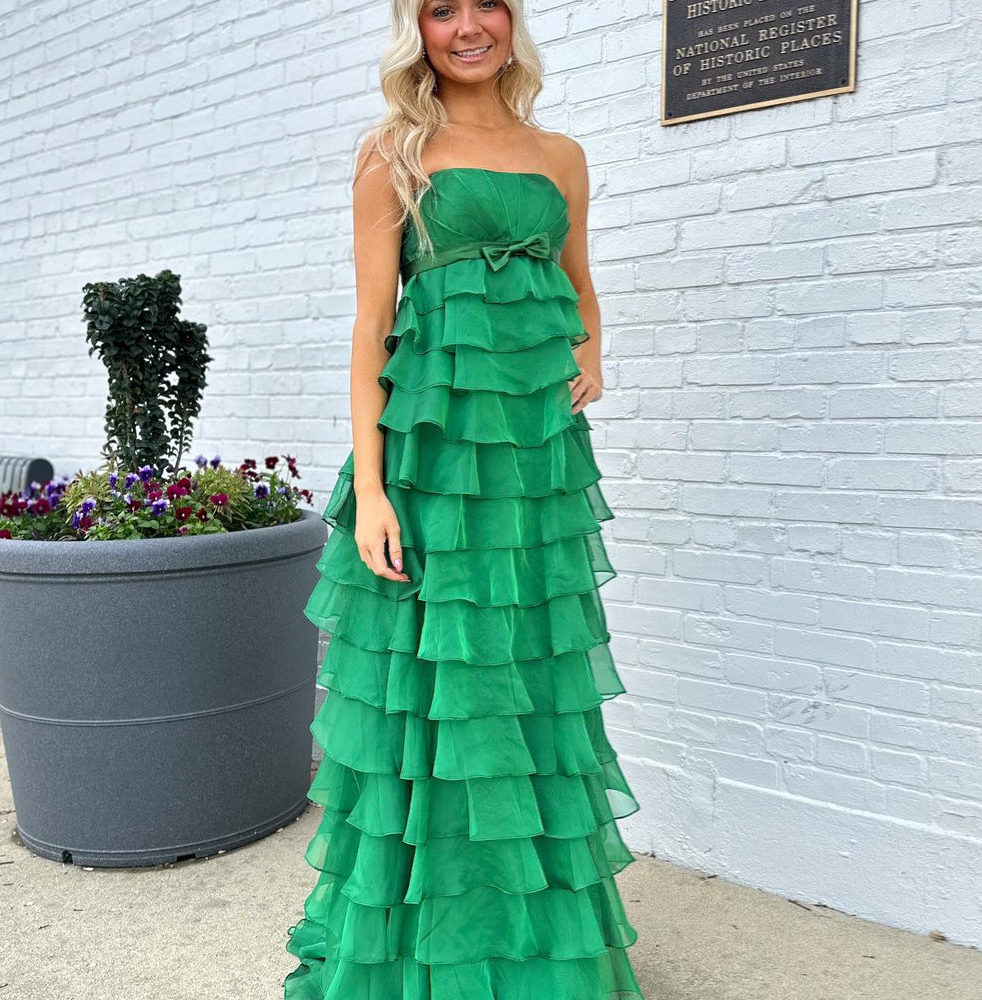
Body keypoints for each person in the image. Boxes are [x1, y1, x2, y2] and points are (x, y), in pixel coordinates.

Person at [282, 1, 645, 996]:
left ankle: (524, 946)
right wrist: (367, 496)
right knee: (434, 693)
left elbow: (577, 281)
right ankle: (426, 957)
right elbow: (370, 332)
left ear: (512, 20)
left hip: (533, 463)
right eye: (442, 8)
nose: (469, 25)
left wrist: (592, 351)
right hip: (430, 461)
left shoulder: (559, 154)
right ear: (420, 31)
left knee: (525, 676)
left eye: (487, 3)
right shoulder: (394, 152)